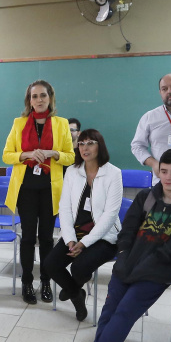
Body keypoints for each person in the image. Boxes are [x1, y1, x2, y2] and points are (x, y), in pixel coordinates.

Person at [70, 148, 171, 342]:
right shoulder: (146, 197)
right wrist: (122, 255)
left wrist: (146, 263)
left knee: (124, 314)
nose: (168, 177)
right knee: (109, 312)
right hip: (128, 263)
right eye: (163, 171)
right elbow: (128, 231)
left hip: (158, 271)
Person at [2, 80, 75, 304]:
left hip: (50, 190)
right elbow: (7, 155)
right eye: (35, 96)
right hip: (25, 189)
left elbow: (70, 157)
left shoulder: (62, 124)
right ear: (29, 100)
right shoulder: (19, 123)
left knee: (46, 239)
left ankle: (45, 281)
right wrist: (25, 154)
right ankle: (26, 282)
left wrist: (54, 153)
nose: (39, 100)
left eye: (43, 95)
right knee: (27, 238)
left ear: (50, 98)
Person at [43, 129, 122, 321]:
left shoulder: (113, 174)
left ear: (99, 146)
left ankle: (71, 288)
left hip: (104, 236)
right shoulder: (72, 171)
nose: (85, 148)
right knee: (50, 264)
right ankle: (77, 294)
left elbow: (110, 215)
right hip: (76, 232)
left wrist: (85, 243)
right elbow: (65, 207)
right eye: (81, 143)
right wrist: (70, 238)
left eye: (90, 143)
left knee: (79, 267)